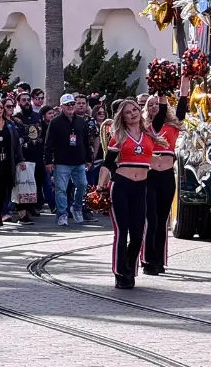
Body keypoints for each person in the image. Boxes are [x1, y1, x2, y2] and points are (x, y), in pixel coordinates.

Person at [97, 98, 168, 289]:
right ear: (123, 117)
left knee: (138, 234)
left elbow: (161, 112)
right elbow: (107, 164)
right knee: (122, 232)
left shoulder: (150, 135)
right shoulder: (118, 136)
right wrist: (100, 185)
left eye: (135, 109)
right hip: (121, 186)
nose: (133, 113)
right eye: (128, 112)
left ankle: (129, 265)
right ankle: (120, 273)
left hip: (141, 188)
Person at [142, 77, 190, 276]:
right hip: (150, 176)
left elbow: (183, 102)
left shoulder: (173, 124)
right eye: (150, 104)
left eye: (157, 103)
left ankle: (159, 261)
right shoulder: (145, 127)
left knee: (162, 221)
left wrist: (185, 79)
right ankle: (148, 259)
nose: (154, 107)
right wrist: (160, 90)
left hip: (167, 176)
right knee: (151, 220)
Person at [44, 94, 93, 226]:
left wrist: (88, 158)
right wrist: (48, 161)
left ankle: (76, 208)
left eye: (72, 104)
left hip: (79, 161)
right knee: (61, 189)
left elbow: (86, 141)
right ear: (61, 107)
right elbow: (49, 143)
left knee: (82, 185)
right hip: (61, 162)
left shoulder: (81, 121)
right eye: (68, 105)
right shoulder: (55, 122)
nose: (71, 107)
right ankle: (62, 214)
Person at [11, 92, 45, 217]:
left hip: (37, 155)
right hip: (24, 155)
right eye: (23, 100)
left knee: (37, 181)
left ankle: (32, 206)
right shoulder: (16, 118)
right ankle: (22, 208)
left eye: (28, 99)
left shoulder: (37, 116)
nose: (26, 102)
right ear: (19, 102)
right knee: (24, 183)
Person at [0, 101, 26, 227]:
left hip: (7, 162)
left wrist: (21, 159)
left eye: (1, 107)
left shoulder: (10, 125)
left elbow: (17, 145)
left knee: (3, 191)